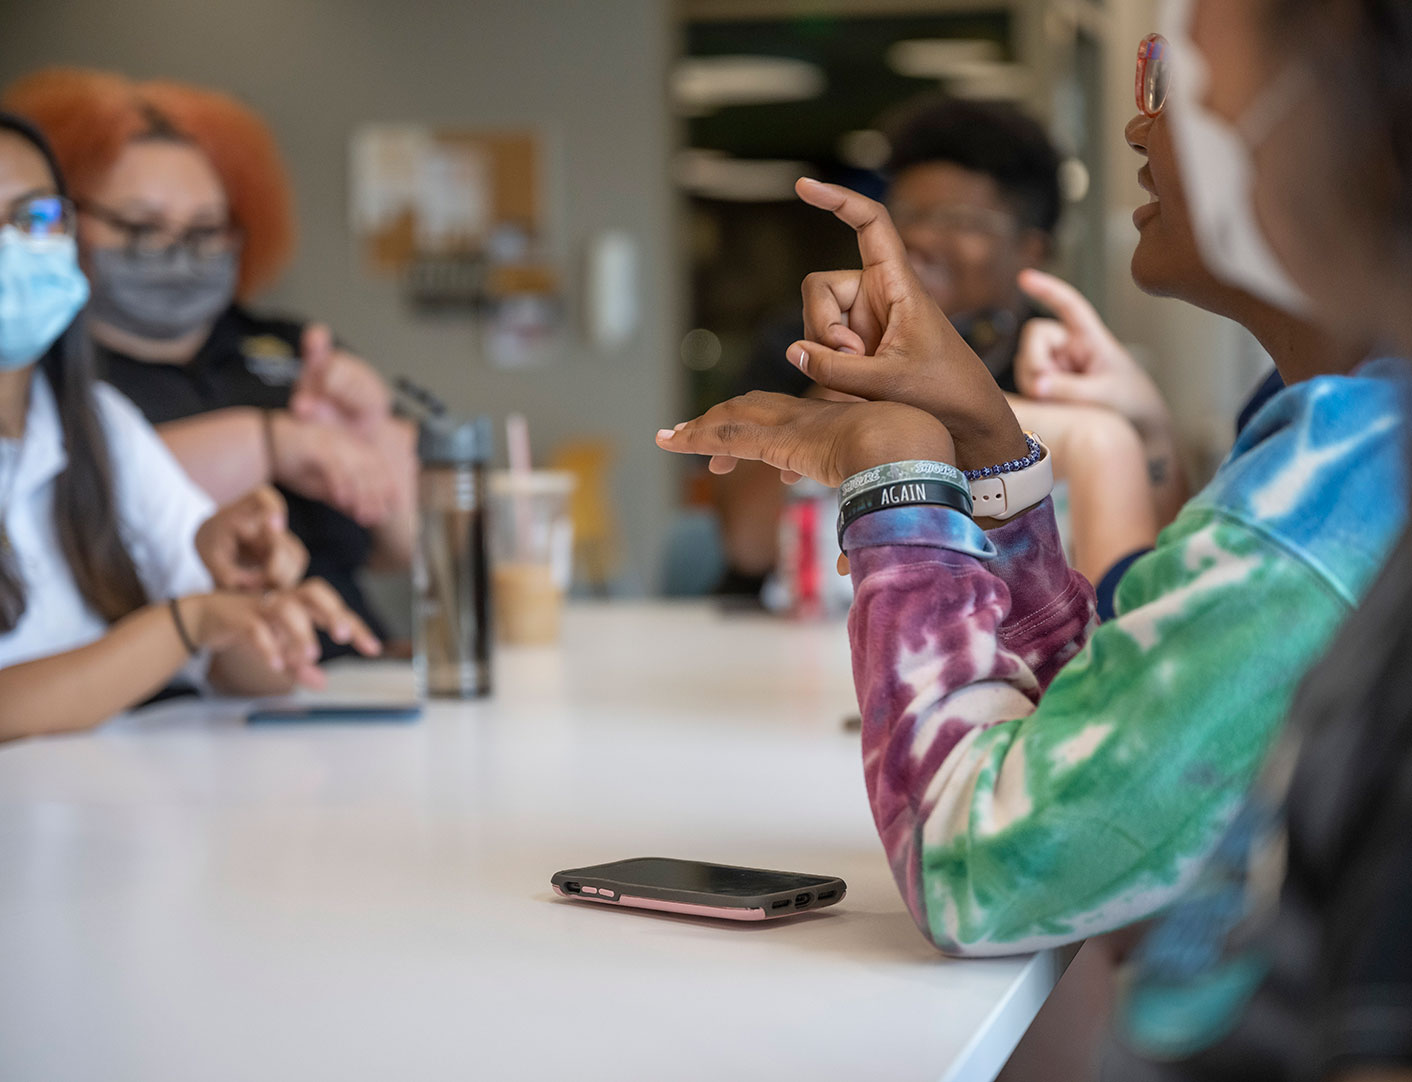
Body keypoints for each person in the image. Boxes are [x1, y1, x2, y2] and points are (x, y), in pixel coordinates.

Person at [654, 65, 1409, 959]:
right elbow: (1105, 743)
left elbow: (979, 869)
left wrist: (894, 468)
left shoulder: (1332, 493)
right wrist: (985, 440)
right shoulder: (1322, 435)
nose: (1138, 128)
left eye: (1179, 76)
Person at [1096, 0, 1412, 1077]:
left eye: (1177, 62)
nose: (1164, 116)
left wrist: (909, 486)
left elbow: (1021, 854)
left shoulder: (1335, 473)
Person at [2, 69, 416, 651]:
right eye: (143, 227)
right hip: (163, 696)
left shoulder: (297, 351)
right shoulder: (50, 372)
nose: (179, 252)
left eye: (205, 230)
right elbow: (92, 496)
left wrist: (368, 431)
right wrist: (270, 443)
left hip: (326, 666)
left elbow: (405, 550)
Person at [713, 97, 1072, 593]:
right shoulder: (806, 337)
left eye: (961, 221)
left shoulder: (1063, 362)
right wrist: (857, 370)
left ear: (1031, 250)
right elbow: (748, 545)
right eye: (906, 213)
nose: (921, 237)